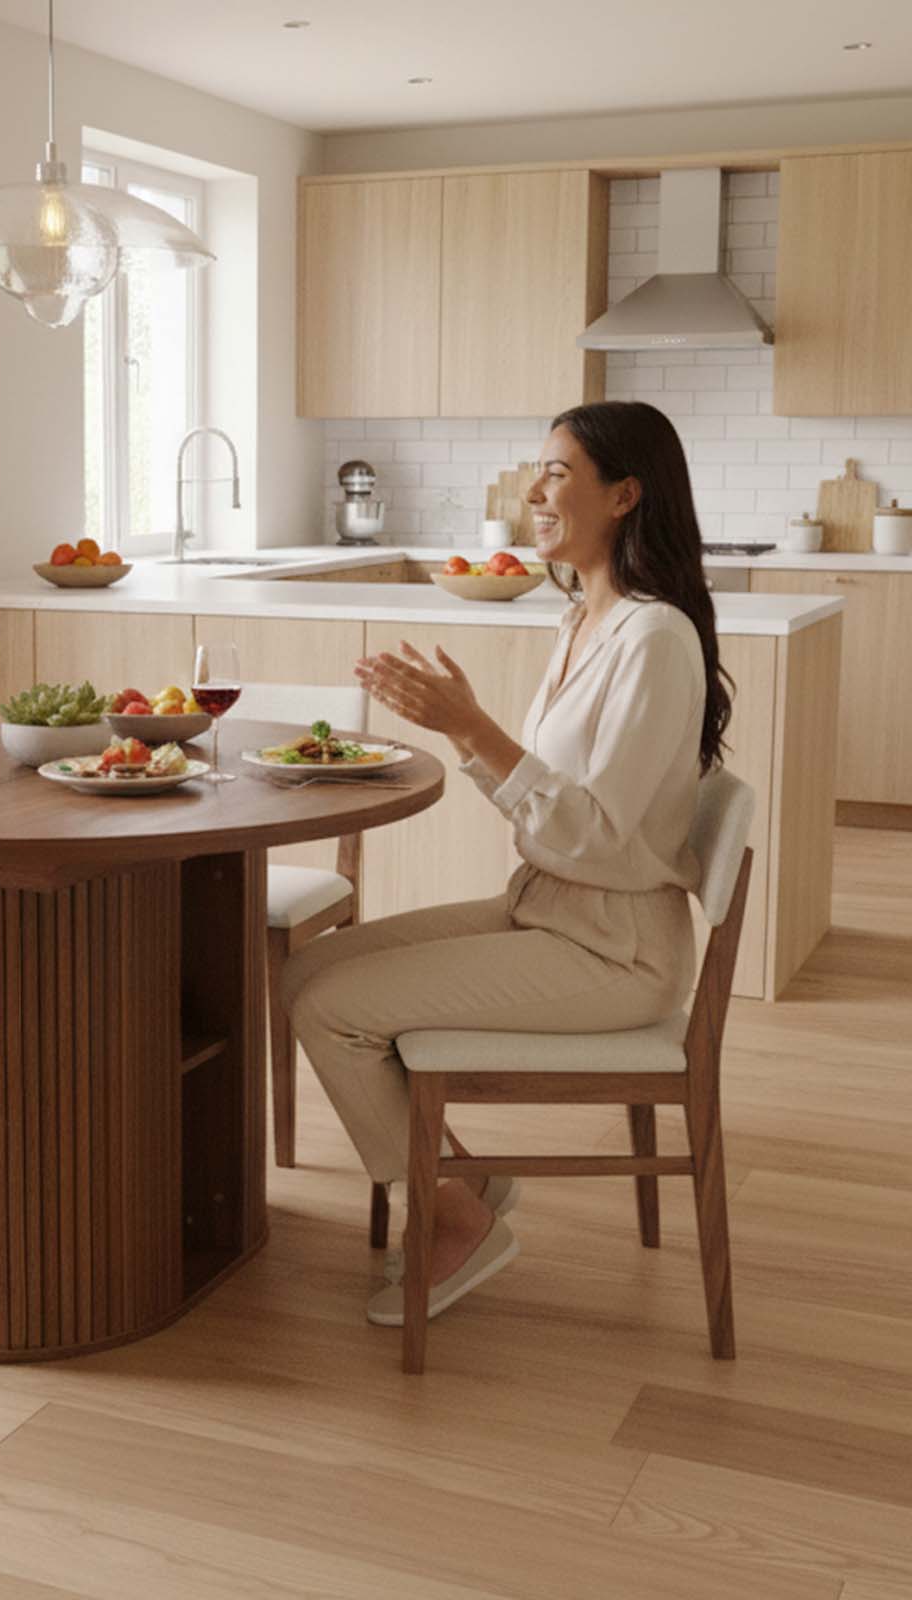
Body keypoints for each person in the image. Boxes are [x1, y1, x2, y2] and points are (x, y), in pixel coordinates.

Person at [283, 400, 733, 1326]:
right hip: (547, 907)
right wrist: (473, 737)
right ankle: (469, 1174)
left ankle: (451, 1213)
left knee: (332, 1009)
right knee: (310, 968)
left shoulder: (655, 638)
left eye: (558, 472)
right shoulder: (581, 621)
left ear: (624, 494)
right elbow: (553, 815)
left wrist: (473, 728)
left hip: (615, 950)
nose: (534, 490)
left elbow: (603, 840)